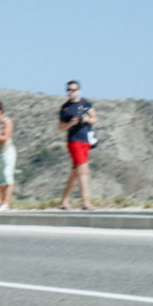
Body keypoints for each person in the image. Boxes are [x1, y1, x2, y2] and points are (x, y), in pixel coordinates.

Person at [59, 80, 98, 210]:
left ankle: (64, 200)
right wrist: (71, 123)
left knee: (75, 172)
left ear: (79, 91)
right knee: (83, 170)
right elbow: (61, 128)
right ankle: (86, 202)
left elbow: (94, 119)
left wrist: (86, 119)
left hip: (85, 140)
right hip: (74, 140)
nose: (71, 92)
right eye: (68, 90)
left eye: (73, 90)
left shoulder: (86, 103)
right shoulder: (65, 108)